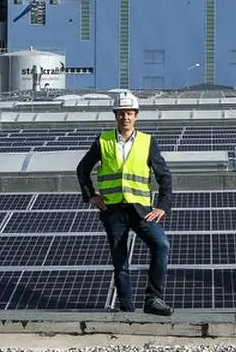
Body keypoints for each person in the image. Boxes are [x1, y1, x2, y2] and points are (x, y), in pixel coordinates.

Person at [76, 91, 174, 316]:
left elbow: (165, 176)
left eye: (129, 113)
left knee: (161, 245)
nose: (125, 117)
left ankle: (153, 299)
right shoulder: (103, 141)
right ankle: (127, 307)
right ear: (115, 116)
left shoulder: (148, 142)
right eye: (121, 113)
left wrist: (163, 206)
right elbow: (83, 169)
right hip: (113, 210)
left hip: (141, 210)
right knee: (120, 260)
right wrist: (90, 195)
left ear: (136, 116)